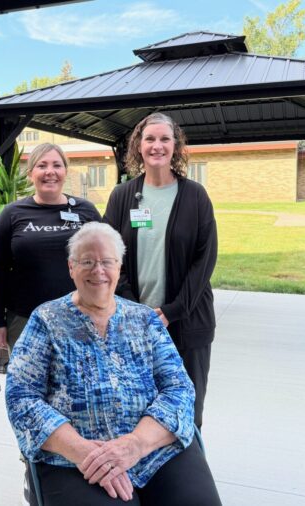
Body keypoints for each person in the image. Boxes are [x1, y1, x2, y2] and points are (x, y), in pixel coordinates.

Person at [6, 222, 222, 506]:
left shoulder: (144, 319)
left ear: (119, 267)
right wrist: (84, 453)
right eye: (87, 262)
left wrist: (134, 445)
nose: (98, 270)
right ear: (71, 267)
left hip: (155, 449)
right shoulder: (46, 320)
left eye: (107, 261)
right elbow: (21, 398)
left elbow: (179, 388)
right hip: (77, 459)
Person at [104, 113, 218, 429]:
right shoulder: (123, 196)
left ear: (175, 146)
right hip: (133, 324)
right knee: (137, 410)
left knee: (186, 410)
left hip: (187, 323)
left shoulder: (195, 196)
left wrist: (172, 311)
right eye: (150, 139)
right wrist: (134, 308)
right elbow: (109, 254)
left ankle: (188, 474)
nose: (157, 146)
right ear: (138, 147)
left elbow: (205, 261)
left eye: (165, 139)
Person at [0, 142, 101, 354]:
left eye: (57, 165)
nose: (50, 172)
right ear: (31, 173)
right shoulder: (12, 213)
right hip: (25, 319)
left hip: (80, 316)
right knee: (29, 384)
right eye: (42, 166)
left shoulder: (86, 211)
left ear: (65, 172)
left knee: (78, 384)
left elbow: (107, 261)